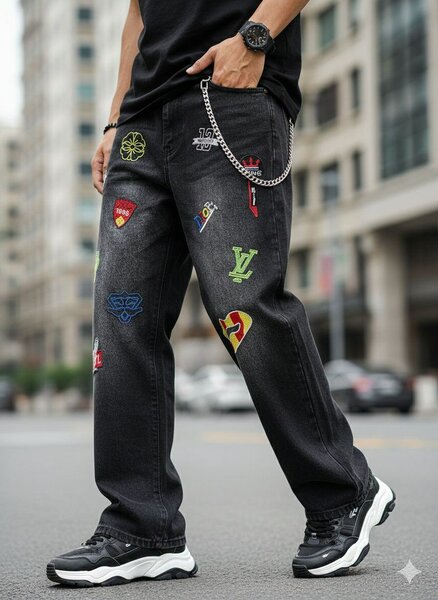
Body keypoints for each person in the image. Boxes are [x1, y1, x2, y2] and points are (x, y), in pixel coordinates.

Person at [46, 0, 395, 587]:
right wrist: (114, 118)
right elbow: (138, 13)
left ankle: (344, 494)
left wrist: (255, 38)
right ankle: (142, 529)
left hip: (227, 96)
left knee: (244, 306)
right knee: (120, 320)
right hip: (140, 124)